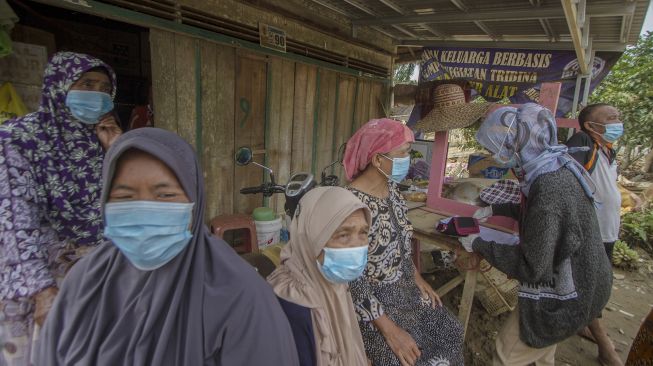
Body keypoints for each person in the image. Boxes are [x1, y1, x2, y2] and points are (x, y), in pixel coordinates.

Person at [35, 128, 299, 365]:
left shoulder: (239, 295)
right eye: (125, 196)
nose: (144, 211)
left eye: (165, 195)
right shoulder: (85, 281)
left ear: (194, 202)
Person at [462, 103, 613, 365]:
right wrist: (495, 208)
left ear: (517, 143)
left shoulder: (547, 186)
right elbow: (544, 217)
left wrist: (478, 243)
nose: (494, 153)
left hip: (572, 290)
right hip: (590, 279)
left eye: (499, 146)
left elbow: (533, 267)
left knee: (506, 354)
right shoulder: (555, 165)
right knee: (543, 353)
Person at [0, 52, 122, 365]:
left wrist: (116, 151)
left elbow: (122, 202)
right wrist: (42, 291)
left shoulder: (101, 140)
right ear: (59, 86)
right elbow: (14, 220)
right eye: (87, 84)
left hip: (93, 274)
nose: (96, 94)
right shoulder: (18, 139)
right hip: (38, 275)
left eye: (104, 88)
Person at [343, 118, 464, 366]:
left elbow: (400, 241)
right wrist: (390, 330)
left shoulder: (392, 190)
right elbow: (352, 278)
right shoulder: (351, 206)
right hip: (372, 303)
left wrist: (416, 276)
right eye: (404, 153)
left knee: (451, 332)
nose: (408, 159)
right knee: (410, 358)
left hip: (405, 287)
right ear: (377, 160)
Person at [268, 186, 371, 366]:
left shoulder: (332, 280)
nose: (356, 246)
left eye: (363, 233)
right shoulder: (294, 306)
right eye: (343, 234)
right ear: (311, 238)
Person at [566, 103, 624, 366]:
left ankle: (583, 324)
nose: (617, 122)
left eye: (618, 118)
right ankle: (605, 347)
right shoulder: (581, 141)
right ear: (591, 126)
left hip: (607, 231)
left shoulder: (608, 151)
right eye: (611, 118)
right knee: (591, 286)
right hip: (590, 232)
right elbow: (567, 179)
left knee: (597, 285)